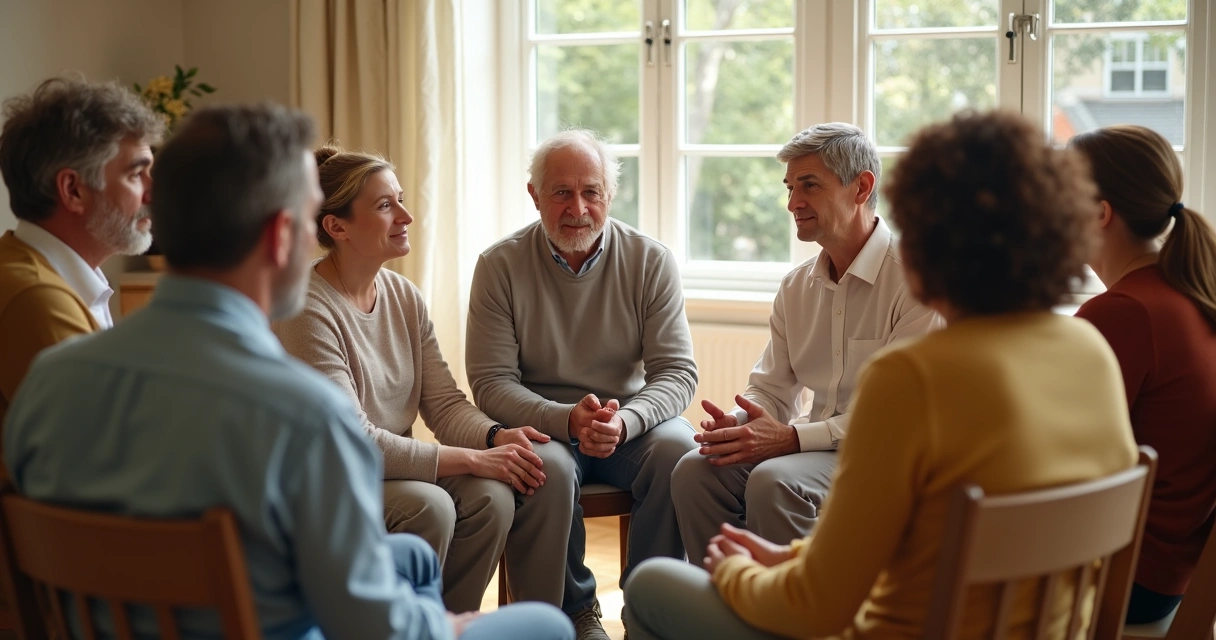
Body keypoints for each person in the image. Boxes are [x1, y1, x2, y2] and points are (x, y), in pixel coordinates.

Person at [3, 104, 572, 640]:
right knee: (548, 628)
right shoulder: (303, 415)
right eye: (307, 222)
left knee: (415, 559)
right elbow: (377, 626)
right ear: (280, 236)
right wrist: (453, 627)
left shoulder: (48, 381)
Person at [623, 110, 1140, 639]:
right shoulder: (1088, 349)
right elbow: (910, 538)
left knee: (650, 586)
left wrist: (736, 572)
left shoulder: (912, 376)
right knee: (704, 476)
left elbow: (815, 607)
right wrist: (792, 559)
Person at [274, 145, 561, 612]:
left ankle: (445, 621)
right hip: (335, 478)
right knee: (430, 505)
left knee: (492, 497)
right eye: (386, 205)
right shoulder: (306, 308)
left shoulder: (403, 295)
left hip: (394, 469)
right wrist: (472, 458)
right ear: (336, 226)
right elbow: (355, 442)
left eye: (401, 199)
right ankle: (395, 625)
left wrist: (494, 436)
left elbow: (444, 403)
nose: (406, 215)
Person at [465, 129, 698, 639]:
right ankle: (571, 617)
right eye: (561, 192)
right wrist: (565, 419)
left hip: (626, 426)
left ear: (609, 195)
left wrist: (626, 419)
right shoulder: (498, 266)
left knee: (680, 447)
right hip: (542, 425)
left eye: (591, 191)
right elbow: (490, 382)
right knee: (542, 466)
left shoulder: (650, 260)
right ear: (534, 195)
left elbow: (678, 373)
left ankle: (650, 614)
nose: (578, 208)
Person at [670, 122, 942, 557]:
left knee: (775, 482)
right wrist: (744, 425)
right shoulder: (797, 287)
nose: (793, 203)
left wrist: (792, 440)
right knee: (694, 470)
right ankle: (723, 609)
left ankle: (790, 614)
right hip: (814, 451)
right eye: (790, 187)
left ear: (861, 187)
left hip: (889, 455)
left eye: (809, 186)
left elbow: (899, 417)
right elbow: (772, 388)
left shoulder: (919, 280)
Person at [1071, 125, 1216, 625]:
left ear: (1099, 213)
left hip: (1121, 574)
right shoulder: (1187, 296)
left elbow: (1056, 459)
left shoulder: (1123, 313)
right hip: (1167, 573)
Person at [0, 77, 161, 432]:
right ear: (73, 190)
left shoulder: (53, 277)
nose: (152, 191)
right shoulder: (34, 297)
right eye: (137, 174)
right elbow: (115, 449)